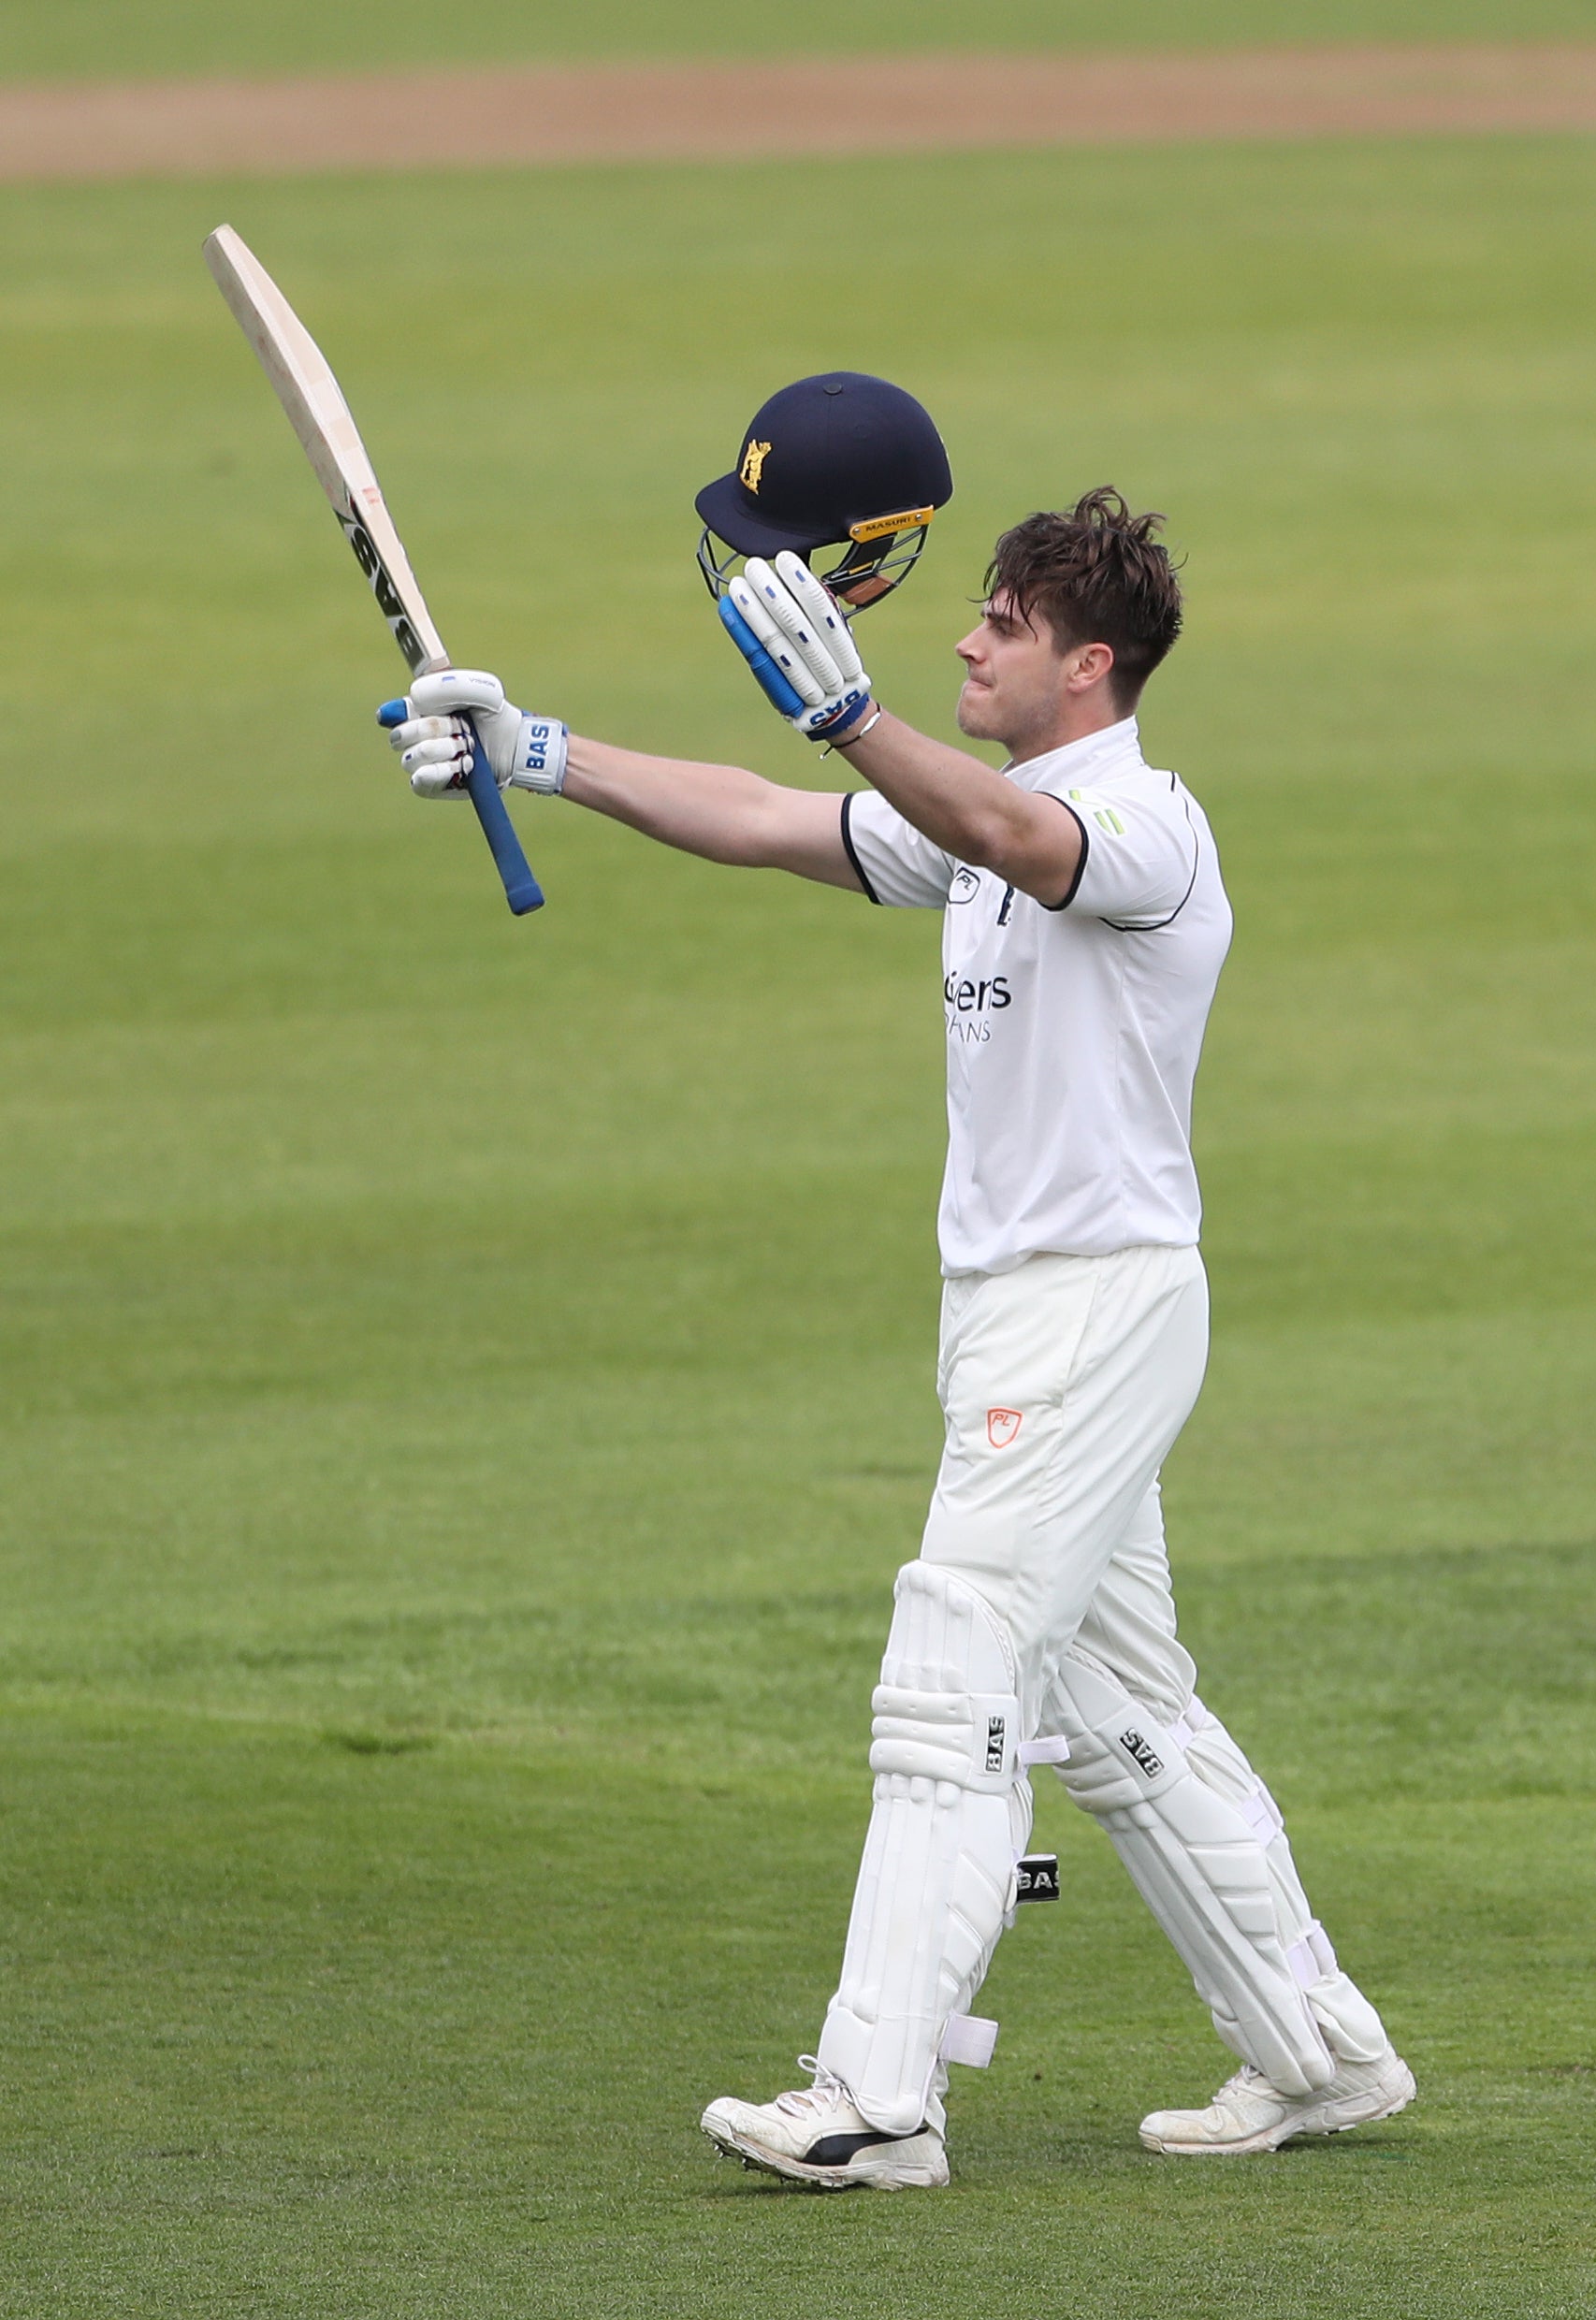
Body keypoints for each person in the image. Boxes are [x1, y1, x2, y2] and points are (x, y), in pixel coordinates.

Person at [379, 374, 1415, 2192]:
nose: (967, 641)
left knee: (952, 1663)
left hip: (1095, 1306)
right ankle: (1320, 2050)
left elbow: (1026, 845)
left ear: (1087, 667)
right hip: (1016, 1312)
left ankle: (875, 2100)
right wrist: (539, 748)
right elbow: (768, 819)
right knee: (1122, 1711)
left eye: (1003, 627)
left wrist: (854, 717)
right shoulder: (972, 813)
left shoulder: (1146, 830)